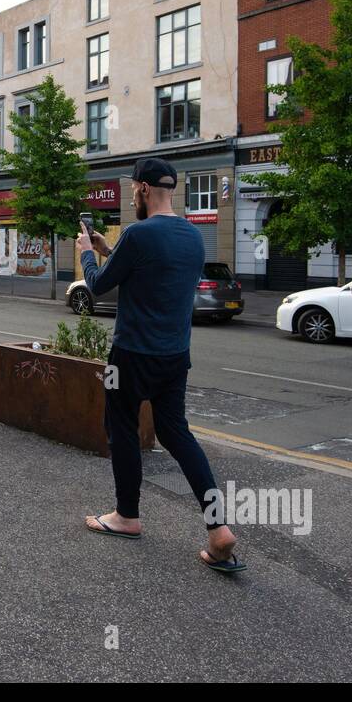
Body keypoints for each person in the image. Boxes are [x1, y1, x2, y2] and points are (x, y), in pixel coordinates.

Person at [76, 157, 244, 573]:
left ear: (143, 190)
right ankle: (217, 528)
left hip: (130, 355)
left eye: (134, 189)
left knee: (122, 429)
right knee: (177, 434)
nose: (134, 194)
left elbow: (98, 286)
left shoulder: (138, 233)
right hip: (175, 357)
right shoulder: (193, 237)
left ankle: (126, 517)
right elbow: (149, 274)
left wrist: (86, 255)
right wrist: (107, 250)